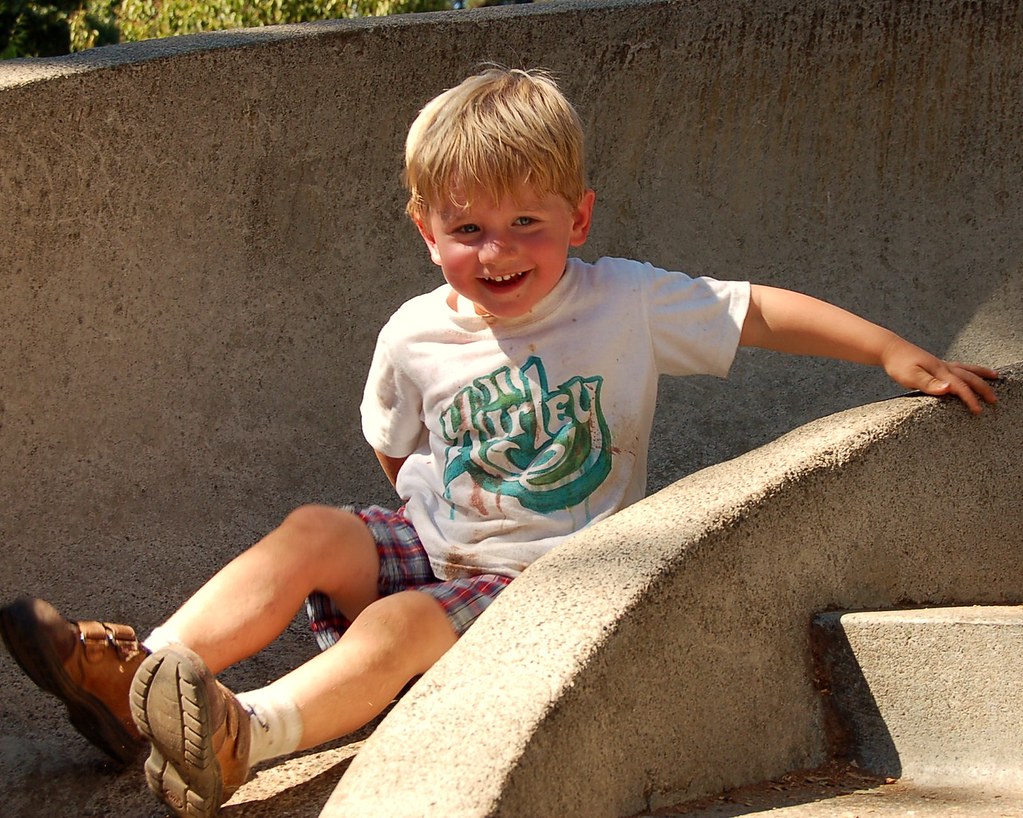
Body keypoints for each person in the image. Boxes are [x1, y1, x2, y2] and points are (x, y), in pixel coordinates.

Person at [0, 68, 999, 818]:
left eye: (528, 220)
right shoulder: (414, 331)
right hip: (438, 548)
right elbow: (397, 452)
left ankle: (244, 734)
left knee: (398, 629)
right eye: (468, 227)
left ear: (579, 214)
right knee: (316, 527)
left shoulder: (627, 302)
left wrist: (896, 352)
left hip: (536, 585)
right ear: (424, 228)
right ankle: (147, 680)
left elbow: (757, 313)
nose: (499, 249)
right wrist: (424, 529)